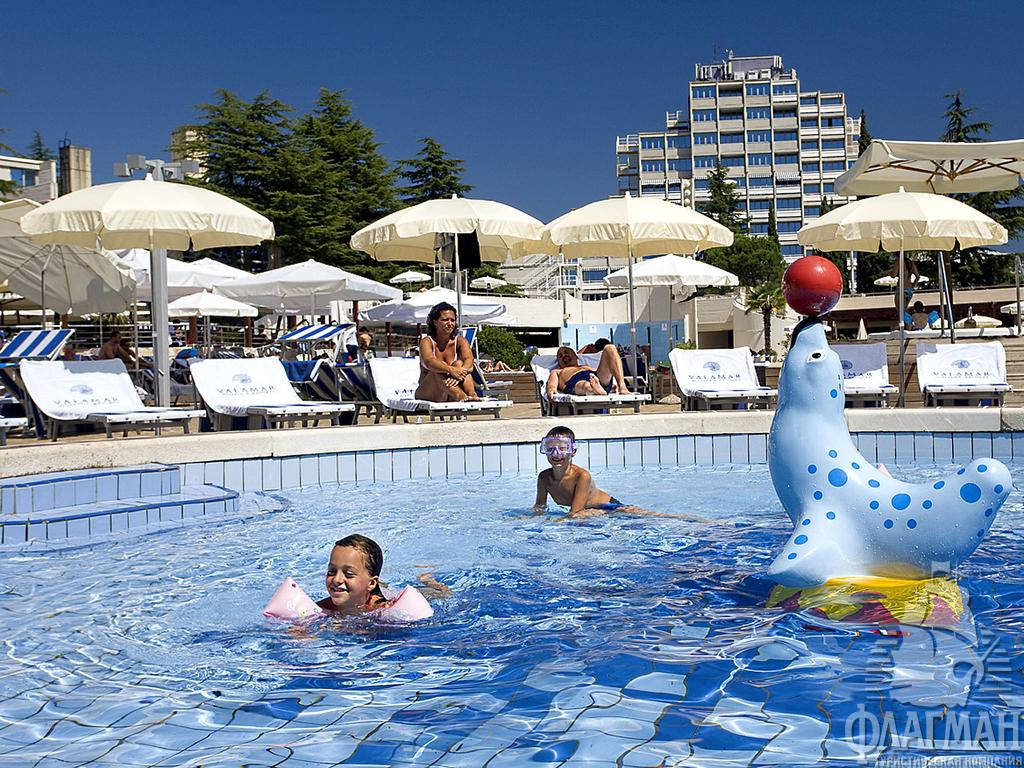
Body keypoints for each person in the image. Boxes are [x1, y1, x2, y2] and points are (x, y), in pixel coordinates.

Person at [316, 534, 449, 615]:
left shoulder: (384, 610)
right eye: (331, 571)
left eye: (348, 574)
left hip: (386, 596)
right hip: (371, 589)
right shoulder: (321, 608)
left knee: (441, 594)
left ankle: (427, 579)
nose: (337, 579)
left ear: (371, 583)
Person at [416, 302, 479, 402]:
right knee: (438, 367)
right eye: (445, 320)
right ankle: (461, 395)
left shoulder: (460, 341)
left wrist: (459, 373)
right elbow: (428, 362)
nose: (450, 324)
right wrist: (451, 370)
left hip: (450, 393)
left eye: (452, 320)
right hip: (430, 392)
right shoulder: (427, 341)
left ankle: (472, 394)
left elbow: (469, 360)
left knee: (460, 364)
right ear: (435, 322)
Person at [545, 344, 630, 399]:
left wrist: (613, 386)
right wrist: (551, 390)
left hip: (595, 377)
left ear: (576, 357)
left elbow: (598, 374)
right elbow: (552, 385)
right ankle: (596, 390)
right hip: (574, 381)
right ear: (558, 362)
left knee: (610, 348)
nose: (564, 355)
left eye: (567, 352)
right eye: (560, 356)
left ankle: (622, 387)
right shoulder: (557, 371)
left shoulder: (585, 367)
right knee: (584, 385)